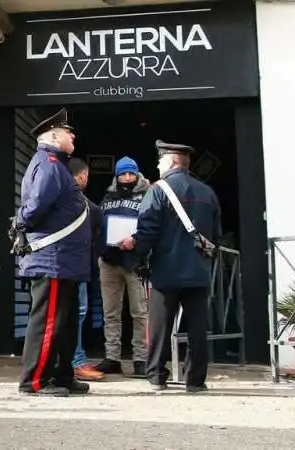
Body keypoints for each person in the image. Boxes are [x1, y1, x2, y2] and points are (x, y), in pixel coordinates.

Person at [119, 140, 222, 393]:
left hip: (166, 271)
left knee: (160, 325)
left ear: (171, 162)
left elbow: (147, 230)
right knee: (198, 326)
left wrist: (137, 252)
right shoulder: (207, 192)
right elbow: (216, 235)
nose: (157, 164)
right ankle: (195, 380)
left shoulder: (158, 190)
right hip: (198, 271)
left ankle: (156, 376)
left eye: (160, 160)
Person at [10, 108, 92, 397]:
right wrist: (19, 224)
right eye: (68, 131)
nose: (73, 135)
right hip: (53, 259)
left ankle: (61, 376)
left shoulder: (56, 163)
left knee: (65, 325)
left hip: (64, 261)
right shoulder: (48, 163)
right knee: (47, 324)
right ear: (55, 135)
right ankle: (34, 381)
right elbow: (35, 206)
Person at [93, 157, 151, 378]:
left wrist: (136, 240)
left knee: (139, 313)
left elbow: (151, 225)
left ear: (137, 174)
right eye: (123, 174)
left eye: (131, 174)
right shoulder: (109, 195)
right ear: (116, 176)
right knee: (111, 313)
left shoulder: (147, 195)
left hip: (135, 261)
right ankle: (112, 358)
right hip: (110, 260)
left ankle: (141, 359)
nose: (127, 178)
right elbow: (100, 224)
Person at [67, 157, 106, 382]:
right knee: (77, 312)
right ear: (82, 176)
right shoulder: (76, 201)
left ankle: (74, 358)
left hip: (71, 264)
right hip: (74, 264)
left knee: (74, 312)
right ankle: (75, 361)